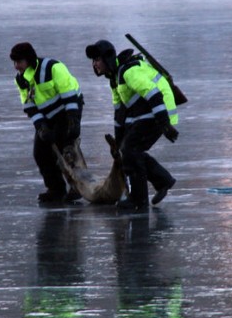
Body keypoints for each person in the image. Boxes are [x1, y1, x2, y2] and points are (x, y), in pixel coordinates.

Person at [85, 39, 178, 211]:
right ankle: (163, 180)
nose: (94, 64)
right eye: (93, 60)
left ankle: (138, 200)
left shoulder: (129, 72)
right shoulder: (114, 78)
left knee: (131, 150)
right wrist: (117, 143)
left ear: (107, 59)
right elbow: (120, 112)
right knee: (127, 150)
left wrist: (165, 125)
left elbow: (154, 95)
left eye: (97, 59)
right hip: (146, 113)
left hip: (159, 112)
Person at [10, 42, 84, 203]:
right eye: (14, 62)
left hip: (67, 111)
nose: (16, 66)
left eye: (19, 62)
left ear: (29, 60)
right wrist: (41, 127)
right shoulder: (21, 80)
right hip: (47, 116)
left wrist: (73, 120)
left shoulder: (53, 68)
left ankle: (77, 186)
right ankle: (56, 189)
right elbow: (29, 106)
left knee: (66, 148)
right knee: (40, 153)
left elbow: (69, 93)